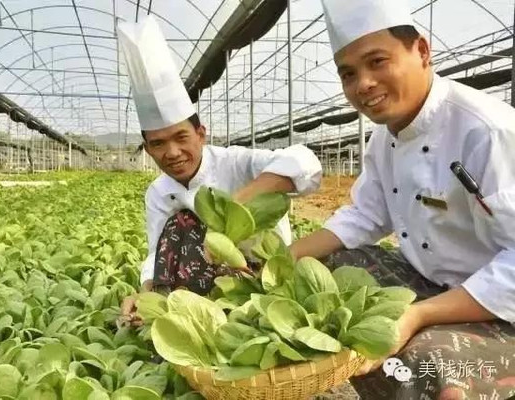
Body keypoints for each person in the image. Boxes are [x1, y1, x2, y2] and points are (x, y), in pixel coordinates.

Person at [289, 0, 515, 398]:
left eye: (377, 61)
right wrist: (282, 260)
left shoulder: (487, 131)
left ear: (422, 51)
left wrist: (419, 316)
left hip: (497, 303)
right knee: (328, 277)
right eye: (349, 74)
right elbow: (364, 216)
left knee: (430, 368)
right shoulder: (383, 140)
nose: (363, 84)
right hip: (430, 283)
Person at [115, 15, 322, 326]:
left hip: (263, 273)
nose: (172, 152)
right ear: (148, 149)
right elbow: (157, 251)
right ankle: (192, 313)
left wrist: (235, 208)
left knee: (193, 220)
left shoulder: (236, 162)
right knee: (181, 222)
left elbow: (306, 163)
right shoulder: (158, 192)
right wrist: (145, 294)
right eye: (158, 144)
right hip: (201, 288)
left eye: (181, 137)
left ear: (201, 134)